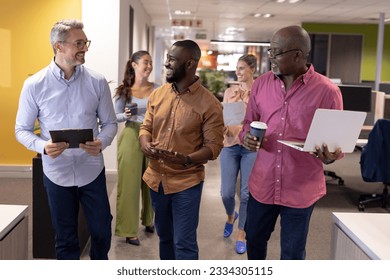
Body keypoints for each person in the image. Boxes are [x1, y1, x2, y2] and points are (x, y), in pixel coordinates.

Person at [15, 19, 118, 260]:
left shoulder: (97, 81)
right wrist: (43, 147)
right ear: (58, 46)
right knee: (65, 238)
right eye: (79, 43)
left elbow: (110, 123)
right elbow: (21, 129)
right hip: (56, 173)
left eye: (85, 42)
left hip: (91, 170)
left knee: (102, 231)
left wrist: (101, 142)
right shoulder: (34, 85)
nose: (85, 48)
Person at [239, 25, 343, 260]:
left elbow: (335, 145)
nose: (270, 57)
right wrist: (246, 136)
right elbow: (248, 123)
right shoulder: (261, 84)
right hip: (263, 182)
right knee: (254, 239)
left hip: (301, 187)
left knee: (292, 252)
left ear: (297, 55)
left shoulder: (327, 91)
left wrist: (330, 155)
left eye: (276, 52)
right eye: (269, 51)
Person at [139, 40, 224, 260]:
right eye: (167, 58)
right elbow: (145, 127)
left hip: (186, 183)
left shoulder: (209, 103)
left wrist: (186, 159)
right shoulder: (158, 95)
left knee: (184, 243)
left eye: (172, 60)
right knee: (165, 238)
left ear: (189, 64)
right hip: (156, 180)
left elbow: (213, 147)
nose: (166, 63)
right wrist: (145, 143)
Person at [114, 51, 157, 246]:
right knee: (129, 184)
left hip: (153, 137)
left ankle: (149, 220)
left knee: (151, 181)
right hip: (131, 135)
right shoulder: (124, 90)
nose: (149, 66)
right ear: (134, 65)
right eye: (145, 63)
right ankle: (128, 230)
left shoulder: (158, 89)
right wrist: (126, 115)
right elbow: (113, 116)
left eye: (150, 63)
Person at [220, 54, 258, 254]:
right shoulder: (229, 92)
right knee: (226, 192)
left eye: (242, 68)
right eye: (237, 68)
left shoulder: (259, 93)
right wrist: (226, 128)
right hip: (230, 145)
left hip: (250, 147)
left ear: (252, 69)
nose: (238, 72)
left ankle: (241, 233)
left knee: (246, 194)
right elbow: (225, 118)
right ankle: (230, 216)